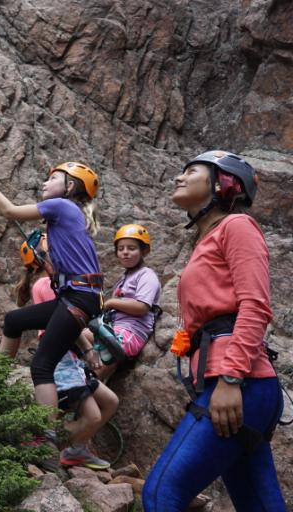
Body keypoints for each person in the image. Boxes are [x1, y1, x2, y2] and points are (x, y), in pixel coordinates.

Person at [142, 151, 285, 510]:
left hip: (240, 382)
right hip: (237, 383)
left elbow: (256, 305)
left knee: (161, 494)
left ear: (223, 183)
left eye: (191, 171)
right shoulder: (205, 240)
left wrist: (231, 378)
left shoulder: (237, 226)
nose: (179, 177)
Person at [0, 162, 104, 425]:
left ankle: (44, 435)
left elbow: (9, 211)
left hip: (77, 297)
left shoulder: (61, 206)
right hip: (78, 296)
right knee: (14, 321)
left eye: (53, 178)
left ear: (69, 186)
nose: (45, 183)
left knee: (42, 366)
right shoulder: (70, 216)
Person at [30, 277, 118, 470]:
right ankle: (40, 442)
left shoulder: (64, 281)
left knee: (110, 401)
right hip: (62, 363)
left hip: (75, 363)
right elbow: (66, 322)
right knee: (92, 416)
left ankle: (76, 449)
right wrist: (88, 340)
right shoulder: (46, 285)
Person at [93, 224, 161, 381]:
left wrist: (111, 303)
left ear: (144, 251)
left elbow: (142, 307)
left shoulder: (146, 275)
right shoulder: (124, 278)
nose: (125, 252)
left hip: (130, 332)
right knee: (79, 334)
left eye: (131, 248)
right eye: (121, 248)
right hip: (113, 328)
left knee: (93, 376)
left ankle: (88, 387)